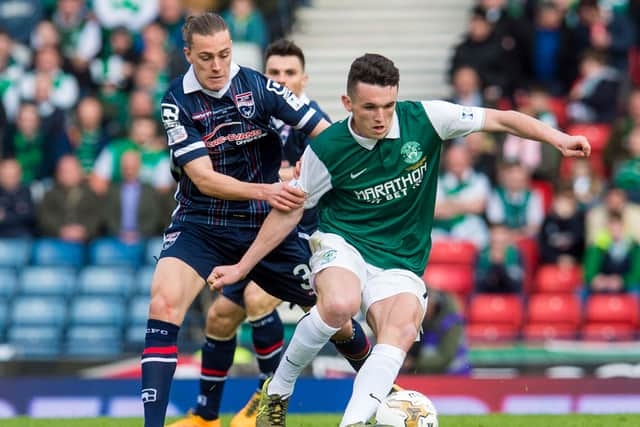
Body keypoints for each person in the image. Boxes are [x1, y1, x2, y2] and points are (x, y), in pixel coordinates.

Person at [208, 53, 591, 427]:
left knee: (403, 328)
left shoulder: (426, 119)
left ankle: (354, 422)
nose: (380, 116)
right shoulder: (326, 150)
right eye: (370, 107)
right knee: (340, 304)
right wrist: (243, 266)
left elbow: (501, 119)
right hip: (345, 242)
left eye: (388, 106)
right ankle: (279, 389)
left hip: (401, 260)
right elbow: (289, 209)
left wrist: (557, 138)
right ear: (348, 103)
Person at [141, 14, 362, 427]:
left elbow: (330, 137)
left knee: (335, 313)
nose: (218, 65)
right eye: (206, 57)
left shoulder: (261, 88)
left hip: (270, 227)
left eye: (225, 54)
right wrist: (269, 189)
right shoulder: (176, 101)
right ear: (188, 55)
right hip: (202, 221)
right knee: (169, 304)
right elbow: (204, 179)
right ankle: (183, 419)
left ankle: (383, 390)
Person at [403, 289, 469, 375]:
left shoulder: (452, 322)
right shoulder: (422, 320)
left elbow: (446, 357)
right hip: (428, 375)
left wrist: (414, 363)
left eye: (425, 305)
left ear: (435, 304)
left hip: (455, 376)